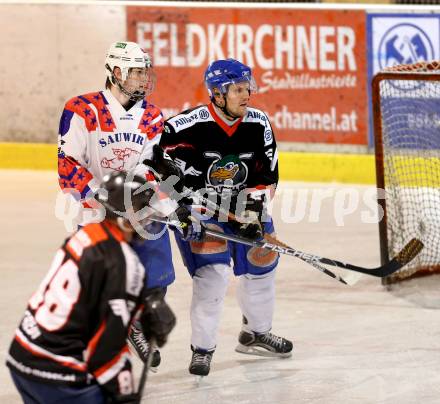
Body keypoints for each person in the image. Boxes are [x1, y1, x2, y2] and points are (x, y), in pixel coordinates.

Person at [159, 58, 293, 377]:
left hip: (245, 207)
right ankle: (202, 349)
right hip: (203, 213)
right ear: (217, 94)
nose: (246, 95)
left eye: (248, 88)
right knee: (214, 276)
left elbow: (267, 175)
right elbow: (158, 167)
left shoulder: (258, 123)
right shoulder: (184, 126)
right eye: (238, 90)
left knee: (262, 265)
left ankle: (255, 334)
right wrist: (181, 207)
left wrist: (254, 212)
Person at [56, 41, 181, 367]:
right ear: (116, 72)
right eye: (137, 72)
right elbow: (68, 164)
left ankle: (137, 325)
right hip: (97, 215)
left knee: (156, 281)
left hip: (141, 213)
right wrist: (101, 195)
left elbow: (153, 167)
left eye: (144, 72)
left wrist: (164, 203)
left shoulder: (153, 115)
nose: (143, 79)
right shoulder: (82, 110)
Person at [6, 171, 176, 403]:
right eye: (142, 211)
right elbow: (107, 349)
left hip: (21, 355)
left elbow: (89, 295)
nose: (147, 220)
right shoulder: (124, 263)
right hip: (56, 372)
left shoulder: (83, 235)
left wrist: (138, 306)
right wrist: (124, 392)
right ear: (124, 216)